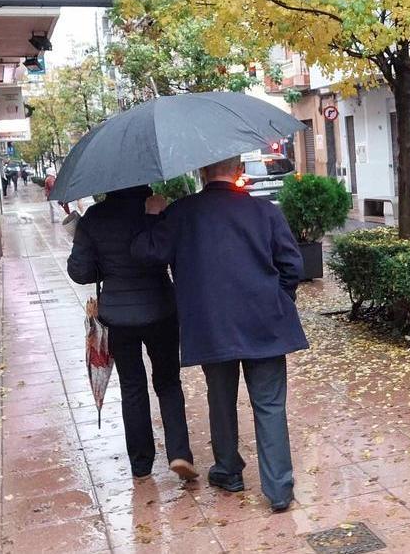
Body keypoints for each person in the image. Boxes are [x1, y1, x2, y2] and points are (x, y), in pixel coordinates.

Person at [132, 157, 306, 512]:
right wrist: (276, 300)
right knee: (270, 405)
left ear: (201, 171)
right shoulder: (265, 211)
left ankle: (229, 470)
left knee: (220, 399)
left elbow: (147, 252)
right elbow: (292, 265)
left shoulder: (182, 213)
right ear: (240, 168)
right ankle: (279, 490)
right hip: (265, 323)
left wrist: (152, 215)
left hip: (212, 325)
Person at [66, 185, 197, 481]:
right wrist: (155, 218)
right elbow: (170, 251)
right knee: (167, 381)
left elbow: (80, 272)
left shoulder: (94, 218)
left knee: (132, 387)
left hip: (118, 316)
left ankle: (140, 463)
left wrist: (95, 254)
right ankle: (179, 453)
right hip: (160, 310)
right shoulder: (156, 208)